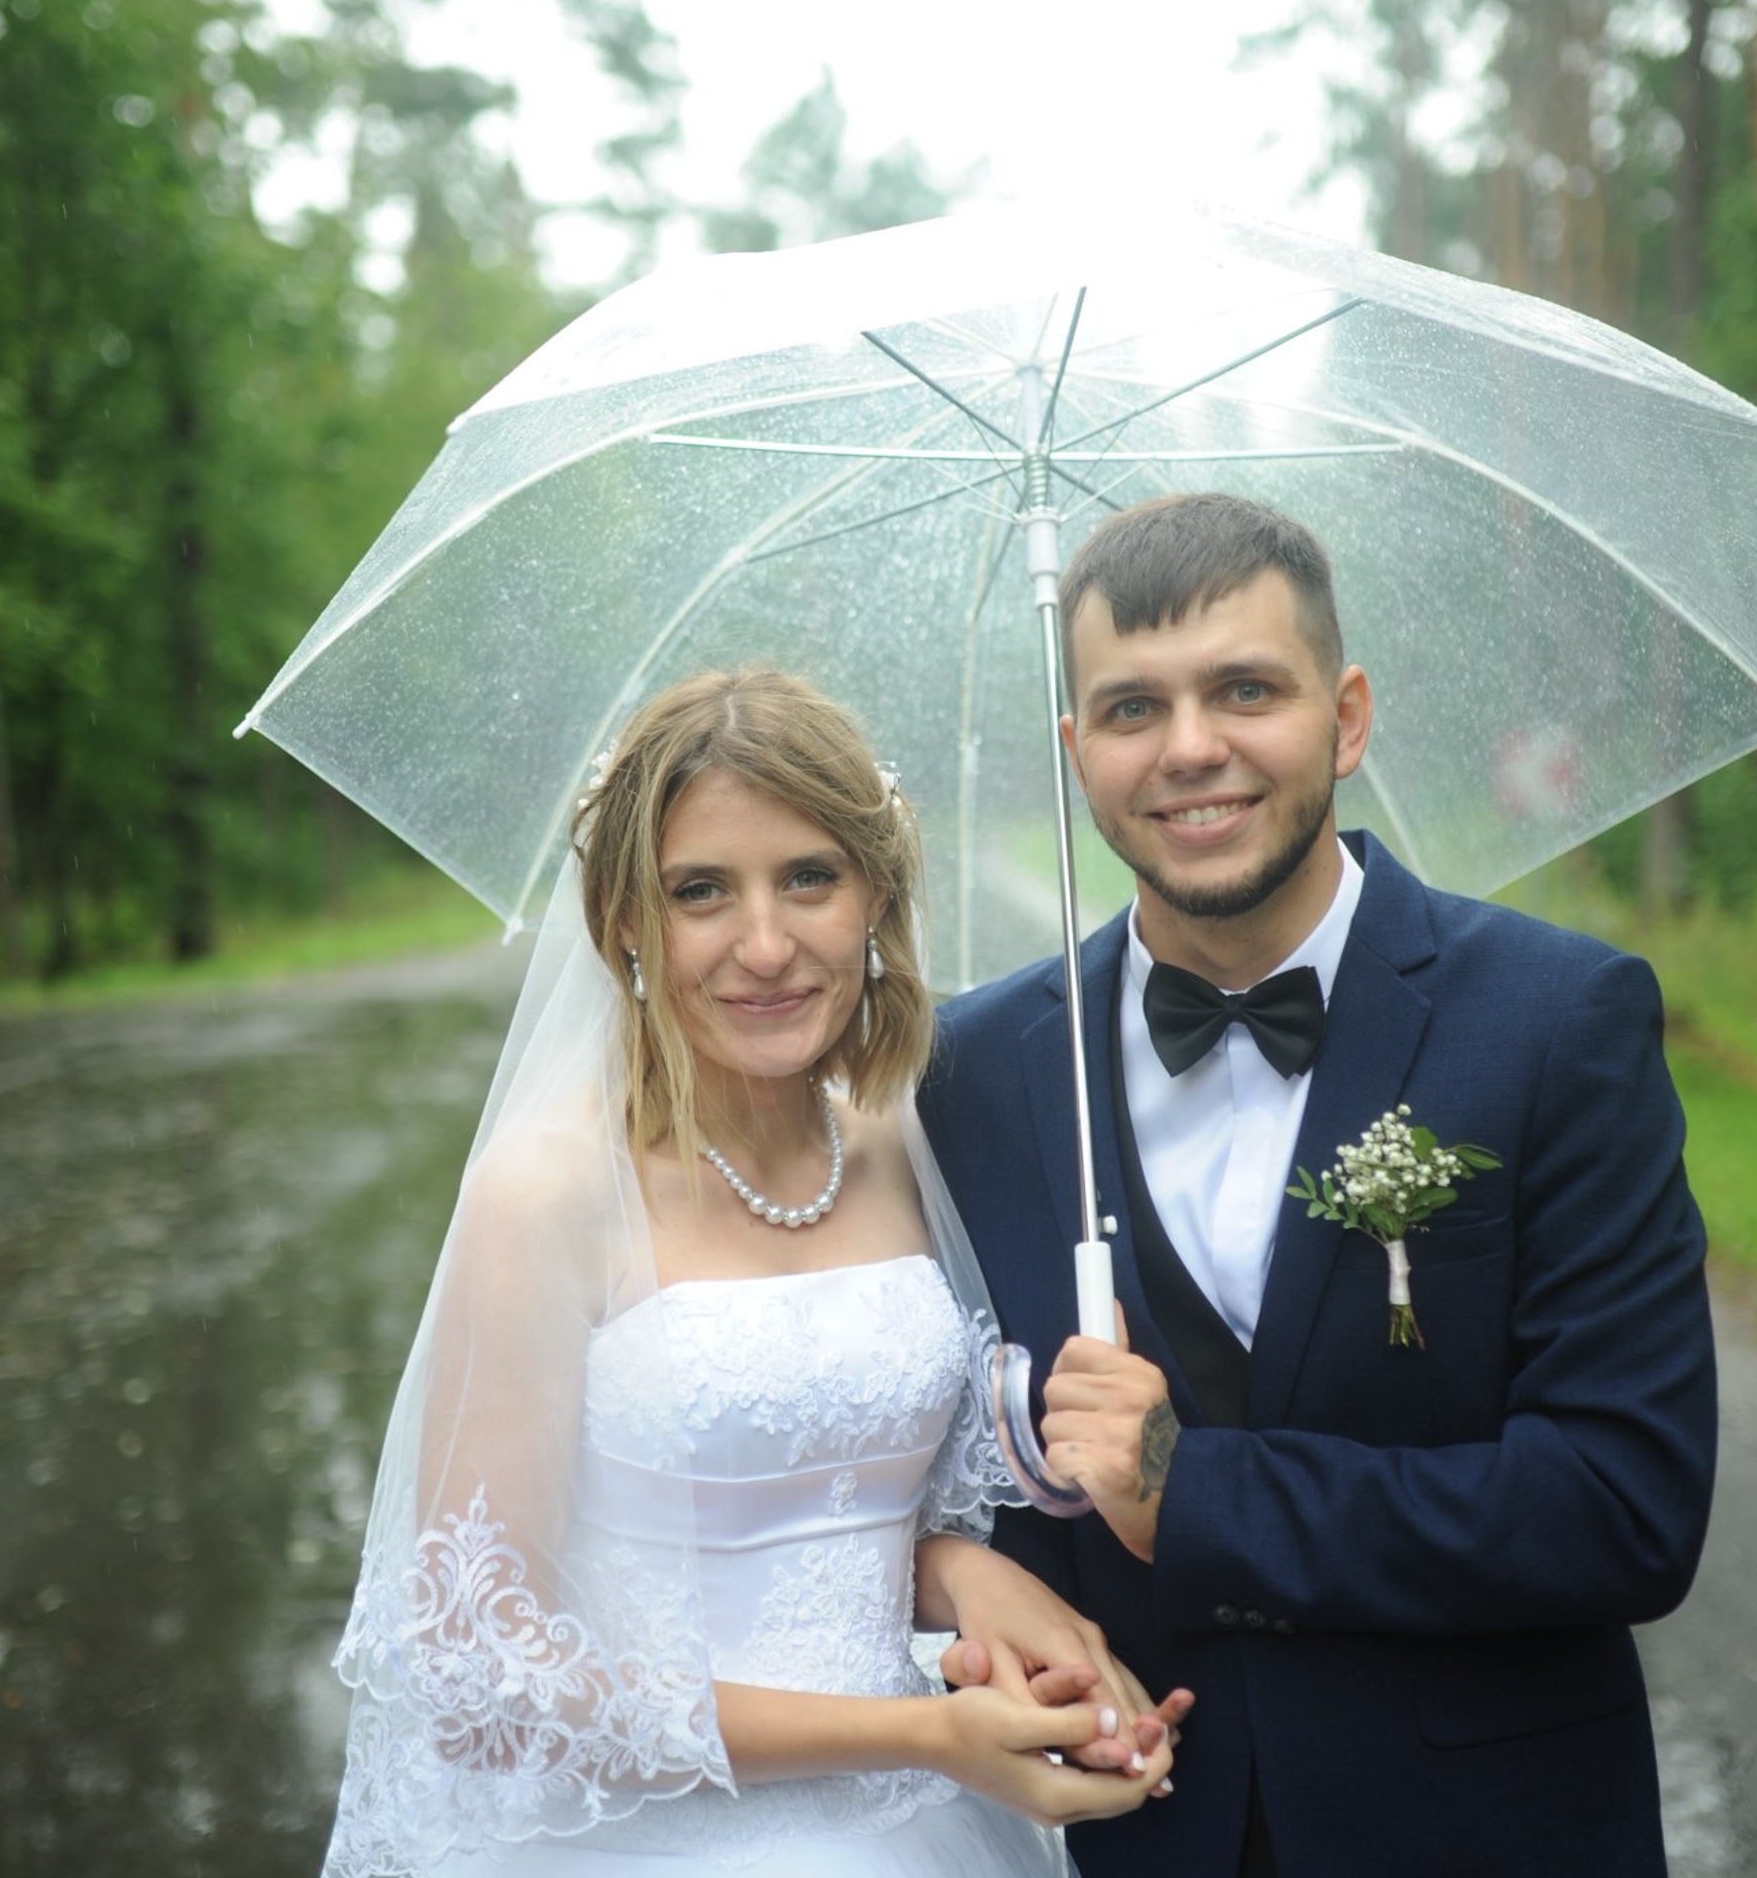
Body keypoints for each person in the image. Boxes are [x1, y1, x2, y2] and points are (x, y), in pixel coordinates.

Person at [920, 493, 1719, 1878]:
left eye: (1245, 690)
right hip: (1126, 1837)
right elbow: (931, 1473)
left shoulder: (1556, 1023)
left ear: (1346, 717)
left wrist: (1195, 1492)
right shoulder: (972, 1071)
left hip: (1488, 1834)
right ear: (1077, 754)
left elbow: (1623, 1506)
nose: (1190, 750)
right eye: (1130, 710)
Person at [321, 667, 1184, 1878]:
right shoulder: (547, 1194)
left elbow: (836, 1505)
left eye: (810, 879)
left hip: (926, 1836)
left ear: (875, 895)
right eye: (701, 892)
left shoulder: (897, 1143)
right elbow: (478, 1675)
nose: (766, 946)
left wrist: (961, 1571)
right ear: (624, 918)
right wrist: (923, 1732)